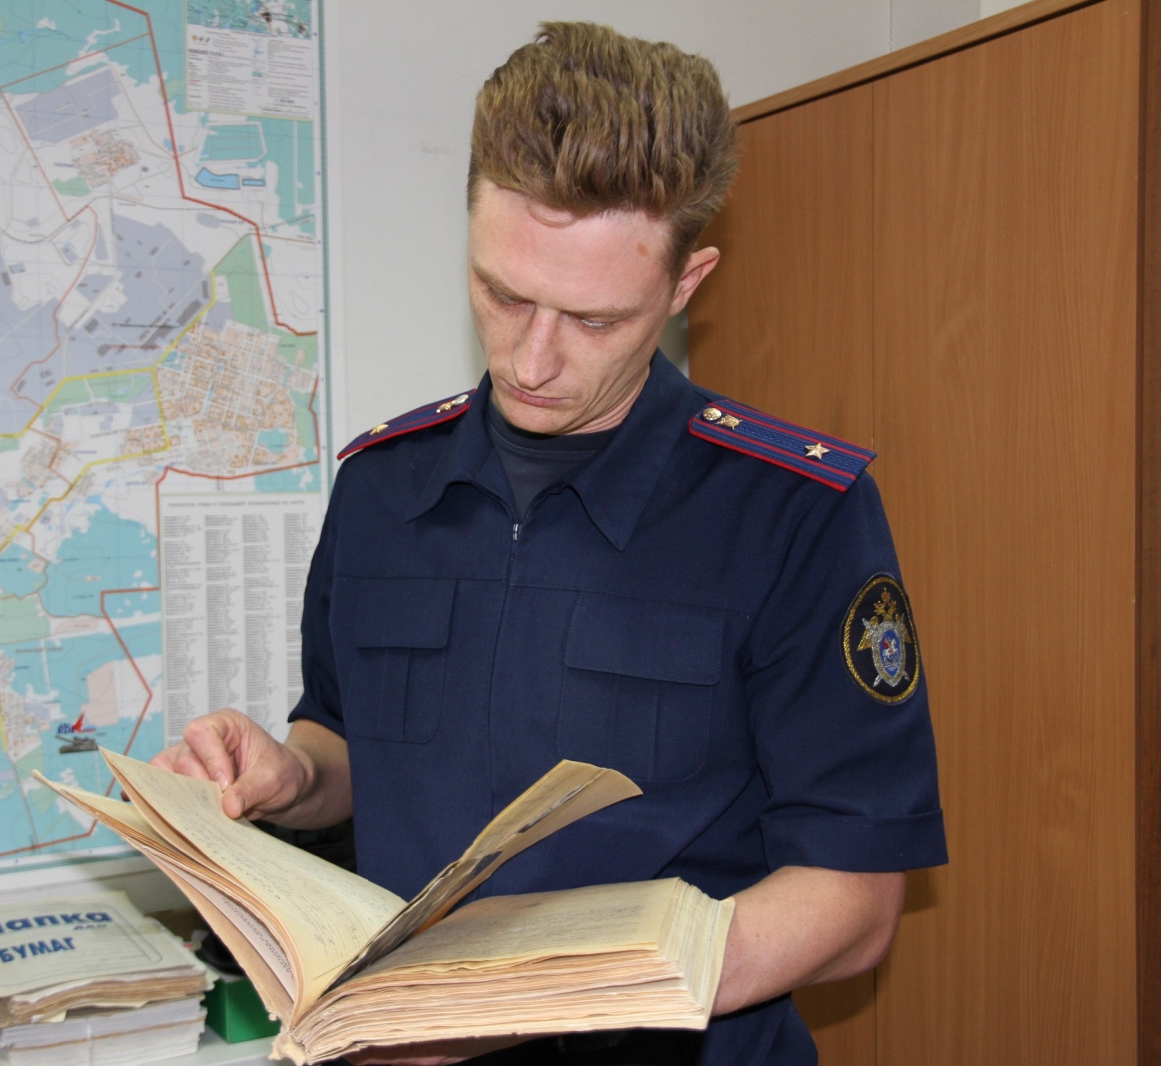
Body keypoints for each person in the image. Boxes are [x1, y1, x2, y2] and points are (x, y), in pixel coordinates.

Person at [153, 22, 946, 1066]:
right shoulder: (383, 484)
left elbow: (852, 902)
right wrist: (294, 775)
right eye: (504, 294)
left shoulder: (793, 510)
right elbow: (346, 740)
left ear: (685, 283)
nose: (531, 361)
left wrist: (515, 1007)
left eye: (594, 319)